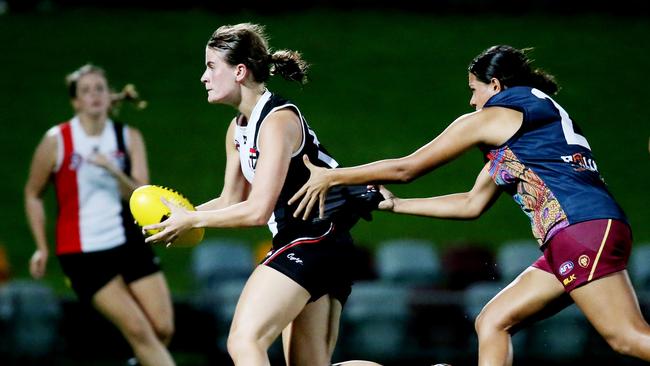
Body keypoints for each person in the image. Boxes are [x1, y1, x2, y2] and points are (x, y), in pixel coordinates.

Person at [289, 45, 650, 365]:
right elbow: (471, 203)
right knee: (493, 320)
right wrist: (397, 206)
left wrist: (334, 176)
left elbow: (407, 167)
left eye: (473, 90)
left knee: (625, 337)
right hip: (586, 228)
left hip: (579, 228)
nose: (471, 102)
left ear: (495, 86)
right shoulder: (534, 124)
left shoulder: (495, 117)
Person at [143, 23, 382, 366]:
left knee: (244, 341)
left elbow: (257, 211)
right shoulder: (237, 129)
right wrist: (178, 216)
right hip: (319, 245)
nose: (203, 77)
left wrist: (193, 218)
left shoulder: (278, 121)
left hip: (313, 240)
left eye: (211, 66)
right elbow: (230, 200)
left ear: (239, 71)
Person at [24, 64, 175, 366]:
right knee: (140, 332)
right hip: (82, 252)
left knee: (162, 329)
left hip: (129, 243)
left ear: (109, 97)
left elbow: (142, 196)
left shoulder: (128, 137)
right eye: (86, 91)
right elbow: (32, 194)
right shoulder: (57, 140)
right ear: (75, 102)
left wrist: (113, 170)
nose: (94, 95)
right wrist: (41, 247)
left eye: (99, 89)